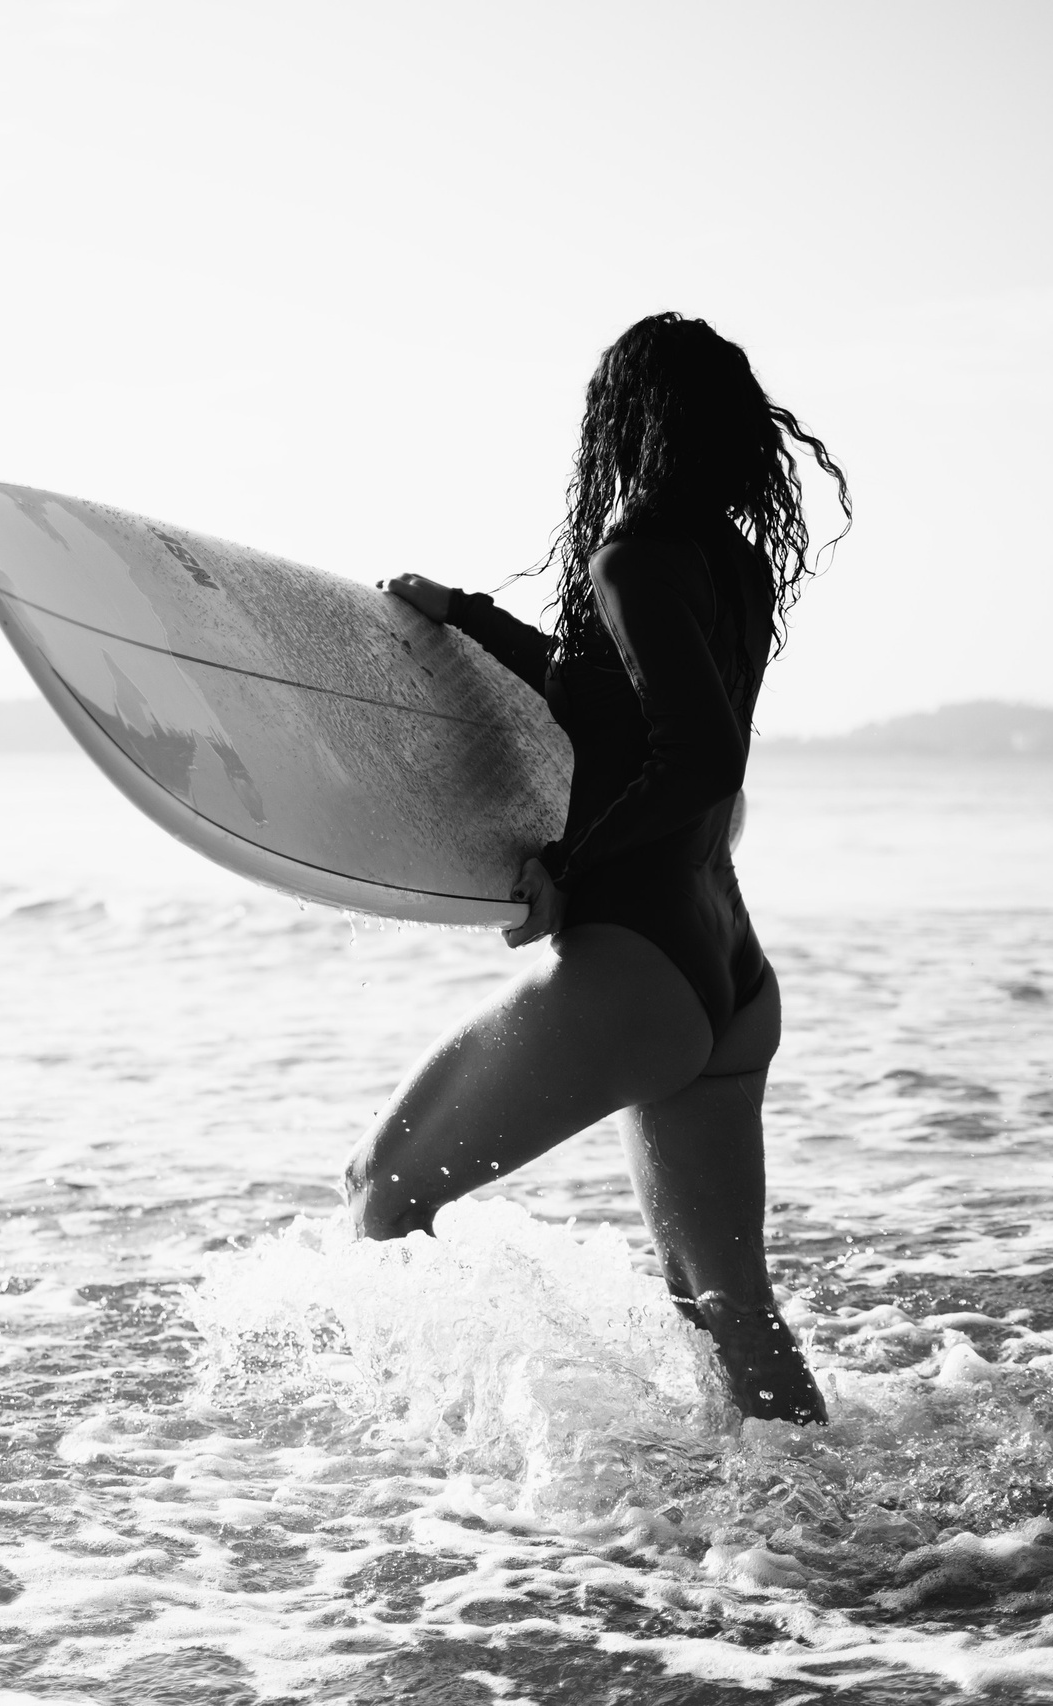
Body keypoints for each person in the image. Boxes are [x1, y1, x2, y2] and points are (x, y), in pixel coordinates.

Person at [343, 313, 850, 1425]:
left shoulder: (628, 554)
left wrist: (567, 864)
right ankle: (820, 1524)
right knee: (722, 1301)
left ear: (625, 422)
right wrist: (469, 617)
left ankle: (437, 1453)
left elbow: (695, 754)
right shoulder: (727, 565)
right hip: (726, 969)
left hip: (635, 963)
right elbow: (608, 706)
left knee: (379, 1193)